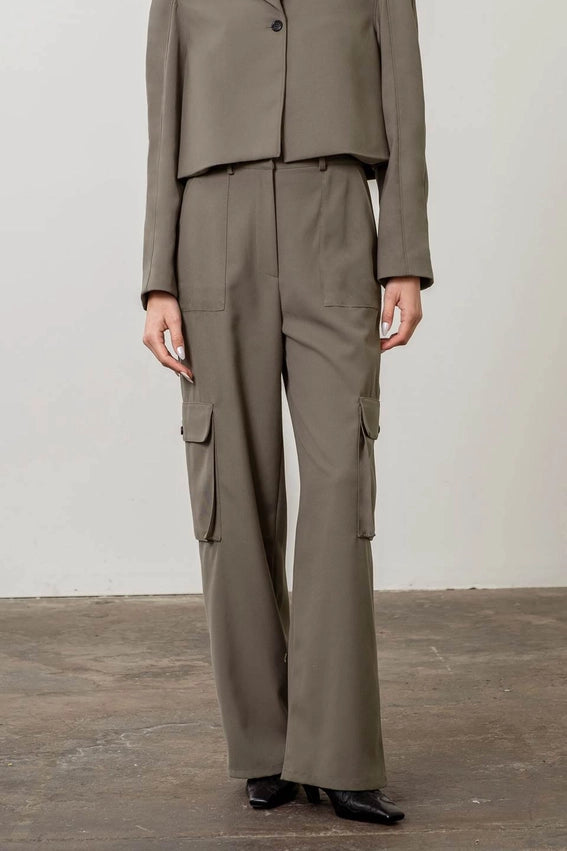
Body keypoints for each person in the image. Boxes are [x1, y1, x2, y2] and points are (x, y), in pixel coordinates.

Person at [140, 0, 434, 827]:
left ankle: (338, 755)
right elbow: (163, 120)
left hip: (333, 217)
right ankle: (264, 749)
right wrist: (157, 278)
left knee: (340, 483)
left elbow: (403, 102)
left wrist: (403, 255)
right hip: (211, 224)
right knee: (231, 489)